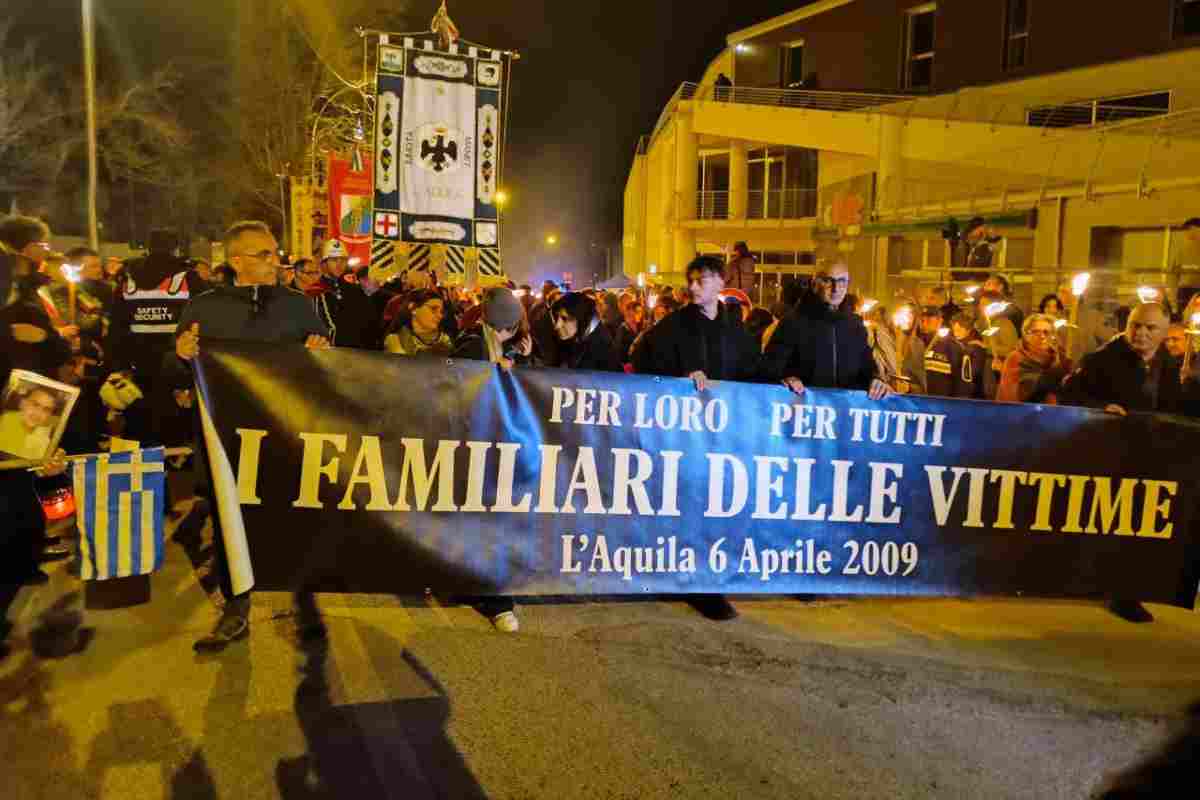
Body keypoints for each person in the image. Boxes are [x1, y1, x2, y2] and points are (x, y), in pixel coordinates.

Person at [175, 221, 330, 653]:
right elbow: (175, 371)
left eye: (275, 252)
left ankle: (300, 593)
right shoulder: (204, 307)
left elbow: (326, 363)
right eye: (263, 254)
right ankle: (236, 604)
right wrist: (180, 355)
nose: (274, 261)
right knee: (229, 518)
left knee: (287, 511)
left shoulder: (298, 305)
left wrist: (320, 353)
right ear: (236, 260)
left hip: (284, 428)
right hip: (225, 436)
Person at [634, 254, 763, 622]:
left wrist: (787, 380)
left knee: (715, 510)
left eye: (701, 279)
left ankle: (706, 582)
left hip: (723, 440)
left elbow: (756, 374)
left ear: (721, 282)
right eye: (690, 280)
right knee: (686, 507)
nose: (692, 287)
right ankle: (693, 583)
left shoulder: (735, 331)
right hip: (683, 438)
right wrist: (681, 379)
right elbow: (643, 362)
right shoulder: (673, 326)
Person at [1059, 302, 1200, 623]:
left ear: (1165, 333)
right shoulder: (1102, 360)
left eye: (1151, 328)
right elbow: (1068, 394)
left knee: (1141, 524)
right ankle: (1109, 587)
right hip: (1108, 456)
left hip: (1153, 457)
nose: (1141, 333)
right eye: (1137, 325)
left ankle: (1128, 589)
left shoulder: (1171, 364)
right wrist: (1101, 407)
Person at [105, 229, 207, 442]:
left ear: (148, 248)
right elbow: (204, 322)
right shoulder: (187, 277)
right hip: (177, 371)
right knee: (176, 435)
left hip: (137, 370)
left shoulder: (128, 279)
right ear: (176, 248)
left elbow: (116, 330)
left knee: (139, 430)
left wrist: (116, 368)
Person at [761, 261, 893, 402]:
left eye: (842, 281)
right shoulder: (792, 323)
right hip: (805, 414)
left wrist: (876, 380)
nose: (836, 288)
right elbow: (769, 369)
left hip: (846, 414)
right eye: (828, 281)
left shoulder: (855, 326)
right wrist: (785, 379)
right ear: (814, 284)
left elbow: (867, 368)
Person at [308, 240, 380, 349]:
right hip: (331, 354)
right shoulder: (315, 292)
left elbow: (369, 323)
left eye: (343, 259)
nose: (339, 264)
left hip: (360, 355)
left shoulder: (355, 289)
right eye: (333, 260)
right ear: (323, 264)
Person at [996, 313, 1071, 404]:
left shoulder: (1058, 358)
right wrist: (1046, 378)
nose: (1042, 336)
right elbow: (1019, 391)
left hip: (1053, 413)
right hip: (1022, 413)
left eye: (1046, 332)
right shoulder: (1016, 357)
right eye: (1036, 332)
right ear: (1026, 335)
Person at [549, 292, 622, 371]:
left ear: (581, 318)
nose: (558, 325)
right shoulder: (578, 340)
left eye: (565, 319)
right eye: (557, 318)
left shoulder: (600, 346)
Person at [383, 289, 454, 357]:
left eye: (441, 311)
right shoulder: (396, 340)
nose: (440, 316)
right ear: (413, 308)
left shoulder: (445, 339)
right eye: (433, 309)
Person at [0, 385, 58, 459]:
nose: (38, 413)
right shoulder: (4, 422)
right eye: (35, 404)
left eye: (46, 409)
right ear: (22, 403)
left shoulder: (44, 439)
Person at [950, 311, 996, 400]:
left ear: (968, 330)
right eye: (954, 330)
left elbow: (972, 373)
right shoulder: (952, 344)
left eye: (959, 330)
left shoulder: (976, 347)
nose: (956, 333)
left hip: (970, 393)